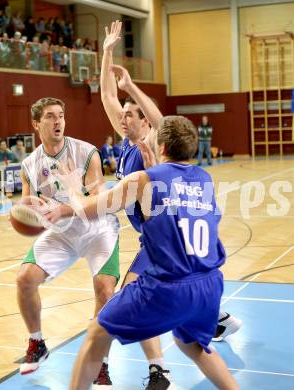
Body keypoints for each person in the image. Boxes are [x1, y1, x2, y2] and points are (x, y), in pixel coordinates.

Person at [97, 20, 242, 389]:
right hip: (157, 239)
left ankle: (156, 369)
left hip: (167, 239)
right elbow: (106, 98)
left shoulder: (159, 144)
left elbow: (160, 119)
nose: (123, 118)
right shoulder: (129, 142)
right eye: (124, 115)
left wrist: (131, 86)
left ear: (145, 121)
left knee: (131, 296)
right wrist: (108, 52)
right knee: (189, 337)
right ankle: (208, 322)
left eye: (131, 114)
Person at [64, 115, 239, 390]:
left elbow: (89, 209)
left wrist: (73, 188)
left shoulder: (143, 179)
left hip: (169, 288)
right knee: (193, 345)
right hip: (209, 284)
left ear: (162, 146)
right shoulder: (205, 179)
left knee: (98, 330)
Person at [16, 97, 120, 375]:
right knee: (25, 279)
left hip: (97, 228)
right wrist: (22, 213)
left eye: (60, 115)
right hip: (61, 232)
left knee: (105, 290)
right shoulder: (29, 164)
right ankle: (37, 343)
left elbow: (97, 199)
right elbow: (29, 203)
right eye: (50, 116)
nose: (58, 121)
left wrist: (61, 210)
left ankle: (101, 360)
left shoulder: (86, 153)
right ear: (36, 124)